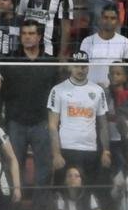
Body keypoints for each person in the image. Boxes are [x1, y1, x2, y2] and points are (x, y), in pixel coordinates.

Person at [47, 51, 111, 185]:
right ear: (70, 67)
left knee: (88, 191)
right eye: (76, 66)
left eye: (83, 66)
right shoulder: (58, 90)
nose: (80, 70)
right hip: (66, 149)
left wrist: (106, 151)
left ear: (88, 67)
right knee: (62, 192)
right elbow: (52, 125)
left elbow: (104, 124)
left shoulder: (98, 91)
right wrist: (56, 153)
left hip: (90, 150)